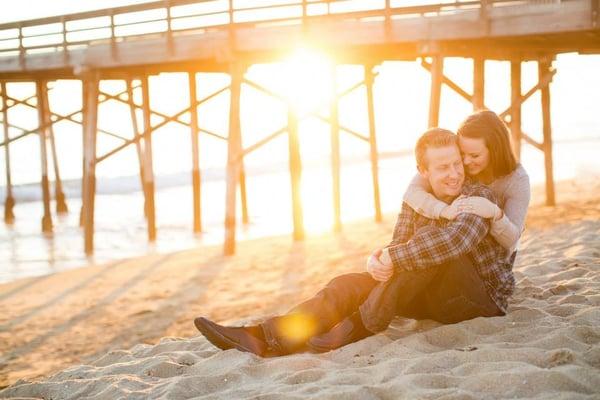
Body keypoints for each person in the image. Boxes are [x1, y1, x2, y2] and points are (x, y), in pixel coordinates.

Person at [194, 128, 514, 357]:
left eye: (457, 163)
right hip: (428, 294)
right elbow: (398, 247)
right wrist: (381, 262)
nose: (455, 173)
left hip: (478, 301)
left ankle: (360, 324)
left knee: (429, 247)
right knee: (345, 285)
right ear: (423, 171)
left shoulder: (477, 196)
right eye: (443, 167)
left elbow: (454, 242)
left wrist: (394, 257)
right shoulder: (415, 200)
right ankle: (264, 336)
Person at [404, 110, 530, 257]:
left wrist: (495, 213)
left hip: (491, 258)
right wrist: (444, 210)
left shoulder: (517, 180)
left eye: (474, 155)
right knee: (426, 236)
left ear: (495, 151)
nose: (465, 161)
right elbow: (411, 193)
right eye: (462, 154)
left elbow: (511, 241)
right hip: (455, 240)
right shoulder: (456, 166)